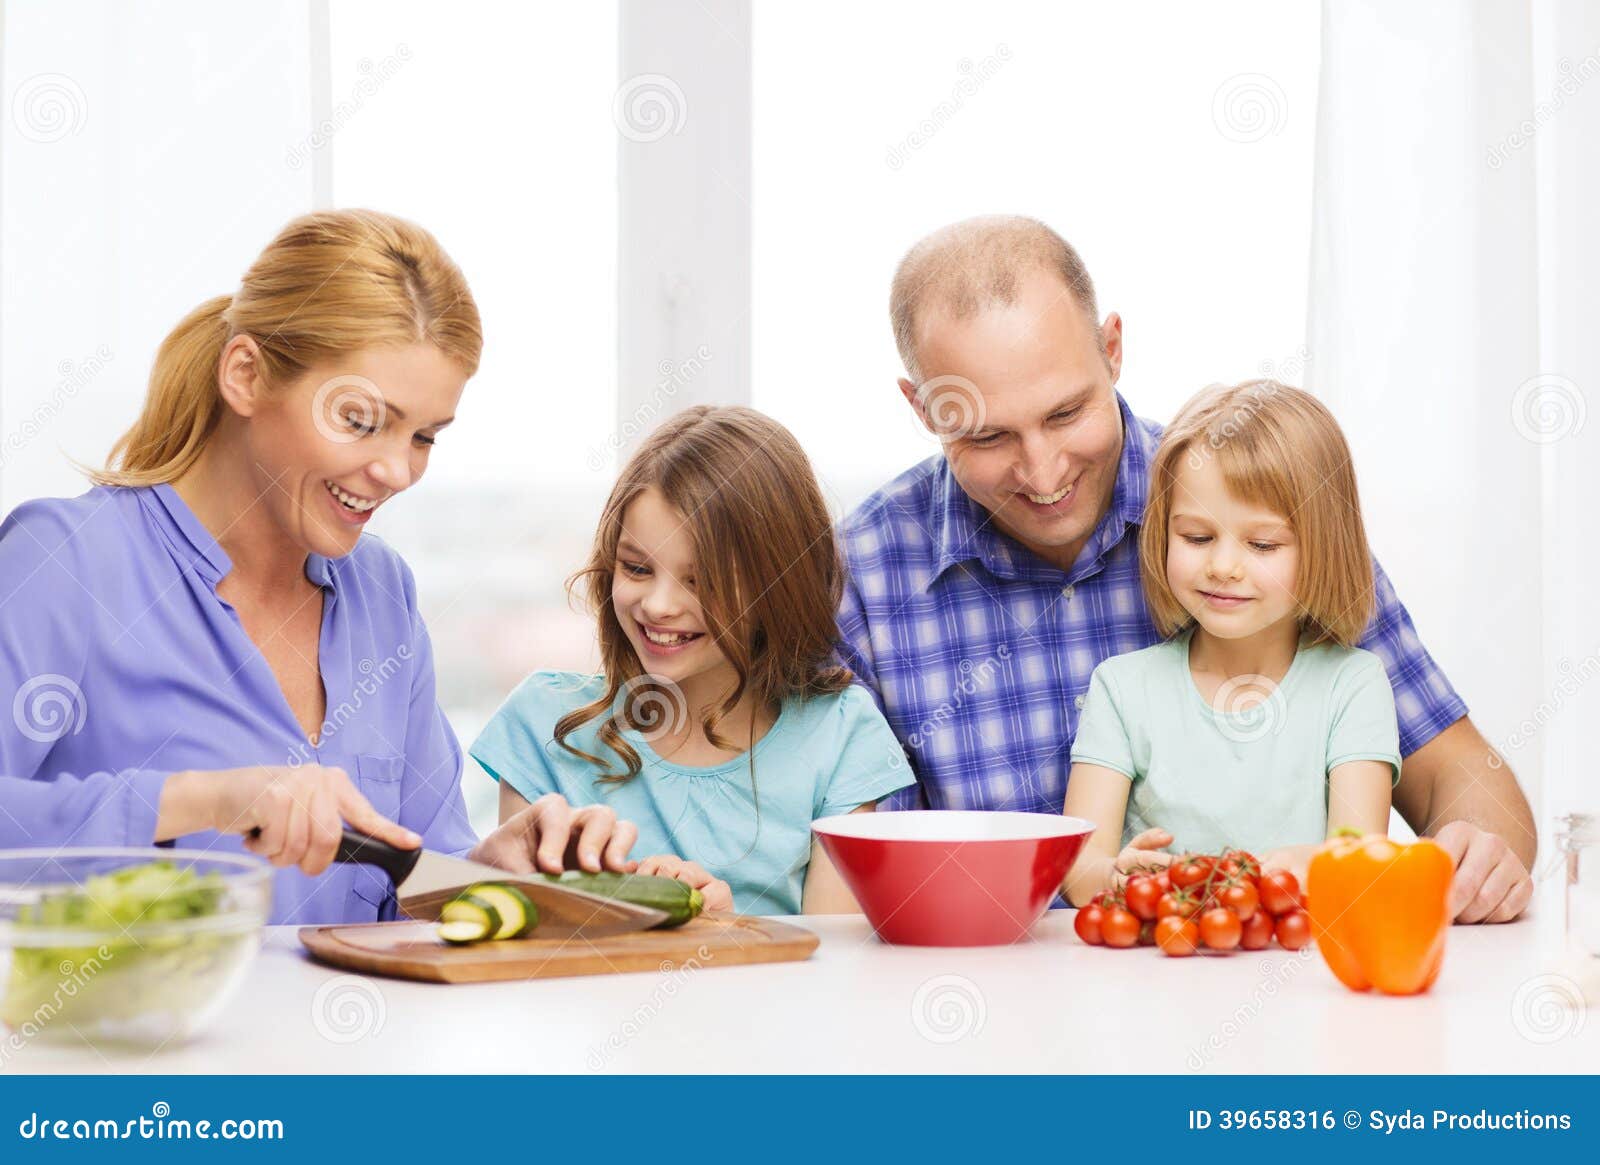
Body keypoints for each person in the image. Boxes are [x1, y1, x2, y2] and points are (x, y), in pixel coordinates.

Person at [837, 215, 1535, 923]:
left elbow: (1463, 775)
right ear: (923, 406)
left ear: (1112, 349)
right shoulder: (860, 574)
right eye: (988, 435)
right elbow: (839, 873)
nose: (1043, 471)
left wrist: (1475, 851)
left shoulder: (1254, 505)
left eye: (1067, 412)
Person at [0, 209, 635, 924]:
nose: (396, 469)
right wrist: (207, 799)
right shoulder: (68, 561)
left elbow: (415, 869)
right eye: (361, 420)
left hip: (360, 1036)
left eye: (424, 435)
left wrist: (498, 874)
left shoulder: (381, 594)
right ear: (245, 374)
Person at [472, 406, 914, 915]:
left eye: (701, 580)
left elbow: (835, 966)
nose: (659, 605)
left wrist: (726, 933)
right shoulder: (545, 722)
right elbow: (512, 942)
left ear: (780, 584)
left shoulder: (840, 735)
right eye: (637, 568)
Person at [1062, 381, 1397, 902]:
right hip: (1149, 972)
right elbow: (1079, 867)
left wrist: (1271, 873)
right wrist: (1113, 876)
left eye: (1261, 544)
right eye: (1196, 538)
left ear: (1323, 547)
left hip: (1295, 973)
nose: (1222, 567)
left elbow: (1360, 859)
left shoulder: (1352, 685)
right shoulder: (1121, 688)